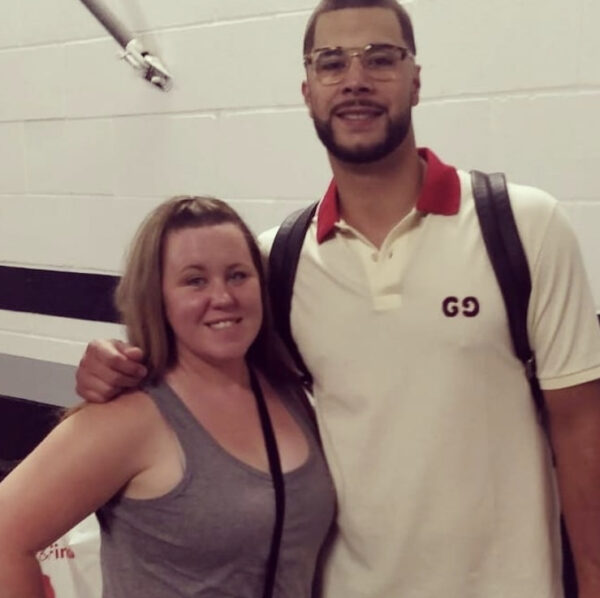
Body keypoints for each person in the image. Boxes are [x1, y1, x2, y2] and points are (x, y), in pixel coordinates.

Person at [75, 1, 600, 597]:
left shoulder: (524, 228)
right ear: (308, 90)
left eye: (381, 59)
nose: (355, 80)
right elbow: (197, 382)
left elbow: (583, 428)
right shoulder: (278, 262)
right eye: (331, 63)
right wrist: (113, 369)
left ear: (416, 80)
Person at [0, 196, 335, 597]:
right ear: (157, 298)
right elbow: (5, 537)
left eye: (237, 275)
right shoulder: (130, 417)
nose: (223, 296)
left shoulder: (288, 393)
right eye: (195, 280)